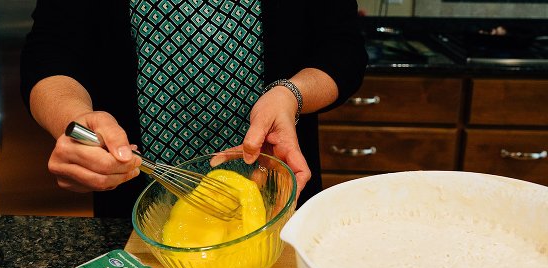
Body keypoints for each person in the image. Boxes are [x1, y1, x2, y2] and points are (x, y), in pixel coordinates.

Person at [20, 0, 367, 217]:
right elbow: (50, 50)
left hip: (278, 192)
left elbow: (343, 48)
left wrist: (291, 94)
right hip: (137, 202)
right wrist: (75, 120)